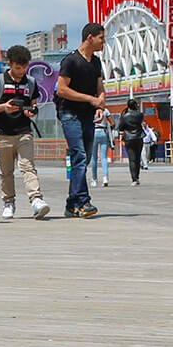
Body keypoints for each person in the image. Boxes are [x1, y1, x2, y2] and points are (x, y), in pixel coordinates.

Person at [0, 43, 50, 219]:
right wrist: (4, 107)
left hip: (23, 131)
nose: (22, 71)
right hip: (2, 133)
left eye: (24, 67)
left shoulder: (31, 82)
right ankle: (8, 202)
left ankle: (36, 199)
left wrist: (31, 111)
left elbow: (34, 105)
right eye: (18, 67)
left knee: (28, 166)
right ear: (10, 64)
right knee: (6, 172)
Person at [55, 22, 107, 218]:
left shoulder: (96, 62)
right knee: (80, 155)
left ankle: (71, 203)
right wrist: (90, 99)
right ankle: (83, 201)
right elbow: (62, 89)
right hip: (70, 113)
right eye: (101, 38)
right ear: (90, 38)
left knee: (82, 159)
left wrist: (100, 104)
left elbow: (99, 87)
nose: (103, 42)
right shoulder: (71, 61)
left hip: (88, 115)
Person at [118, 100, 148, 186]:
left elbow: (121, 127)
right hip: (139, 137)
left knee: (132, 159)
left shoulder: (124, 116)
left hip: (128, 138)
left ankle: (134, 178)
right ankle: (137, 177)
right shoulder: (140, 115)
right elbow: (141, 121)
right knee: (138, 158)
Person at [91, 104, 113, 188]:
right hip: (103, 132)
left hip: (93, 132)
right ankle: (105, 178)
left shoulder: (91, 111)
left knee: (94, 157)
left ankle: (94, 179)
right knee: (104, 157)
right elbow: (112, 123)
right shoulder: (105, 110)